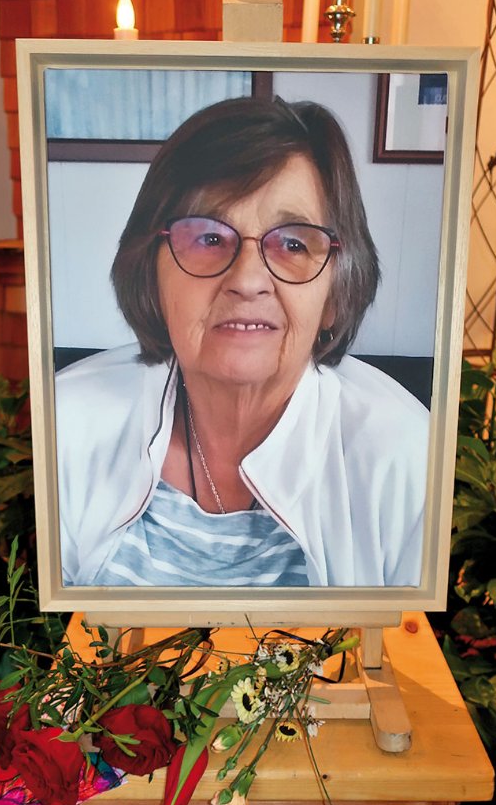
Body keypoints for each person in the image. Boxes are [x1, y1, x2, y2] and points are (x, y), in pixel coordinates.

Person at [55, 96, 429, 588]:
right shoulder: (62, 423)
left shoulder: (408, 455)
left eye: (293, 243)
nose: (248, 281)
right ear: (150, 273)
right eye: (209, 238)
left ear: (336, 294)